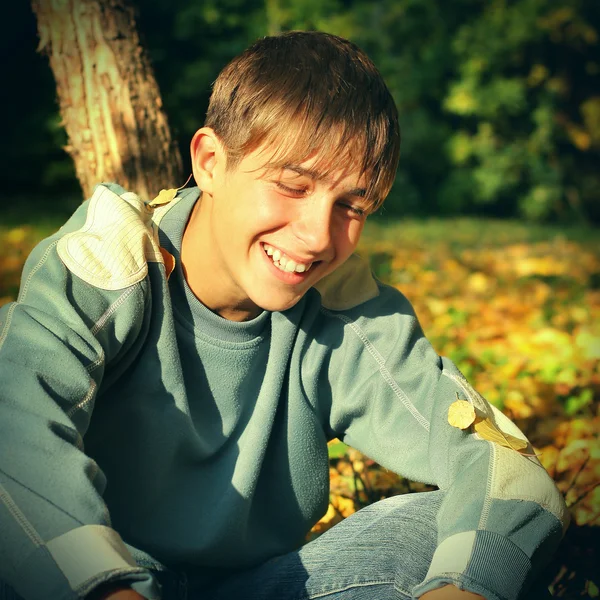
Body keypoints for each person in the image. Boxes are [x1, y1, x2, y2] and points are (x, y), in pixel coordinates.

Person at [0, 31, 567, 600]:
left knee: (449, 536)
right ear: (211, 162)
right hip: (94, 579)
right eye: (293, 186)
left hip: (252, 589)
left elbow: (508, 471)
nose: (319, 236)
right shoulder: (111, 266)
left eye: (352, 205)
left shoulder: (343, 310)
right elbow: (15, 436)